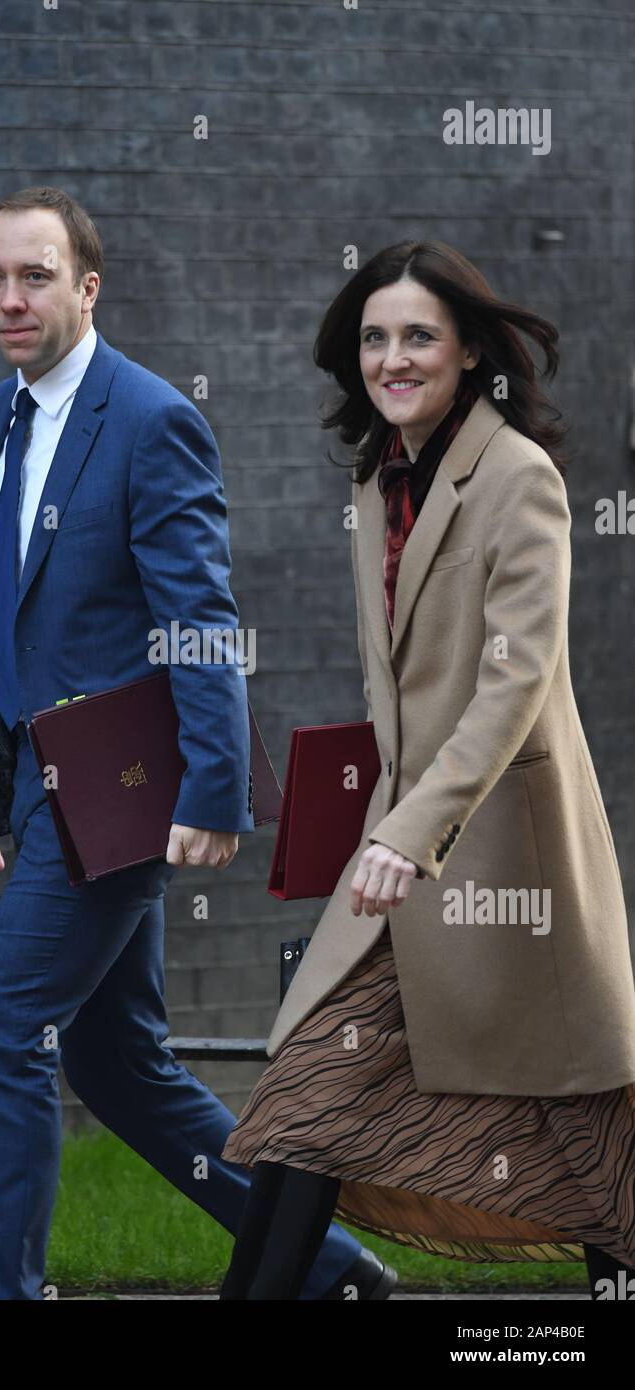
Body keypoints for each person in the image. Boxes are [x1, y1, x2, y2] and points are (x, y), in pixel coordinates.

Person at [0, 184, 380, 1300]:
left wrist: (215, 789)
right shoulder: (7, 411)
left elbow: (201, 617)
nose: (10, 298)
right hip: (44, 791)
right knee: (117, 1065)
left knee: (0, 1028)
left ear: (88, 287)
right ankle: (329, 1273)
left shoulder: (147, 419)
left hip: (125, 794)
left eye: (34, 275)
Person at [219, 240, 635, 1301]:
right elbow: (394, 686)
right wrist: (366, 811)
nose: (391, 358)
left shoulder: (516, 478)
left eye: (416, 336)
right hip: (398, 879)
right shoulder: (376, 477)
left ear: (465, 354)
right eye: (373, 337)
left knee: (590, 1142)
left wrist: (410, 829)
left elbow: (514, 682)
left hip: (506, 874)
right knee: (308, 1096)